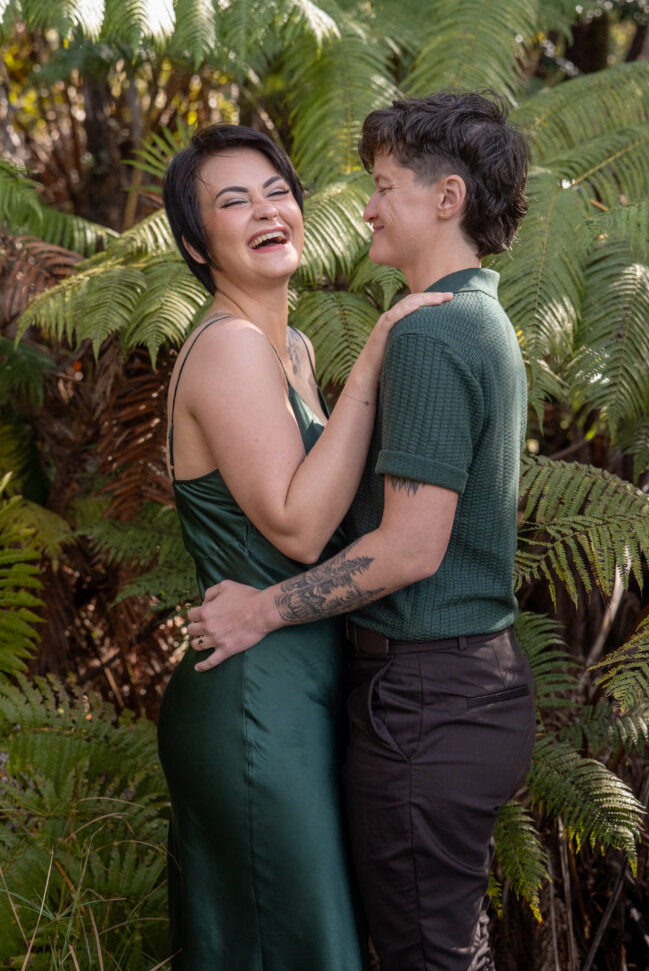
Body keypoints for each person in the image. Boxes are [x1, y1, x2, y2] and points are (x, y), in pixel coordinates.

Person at [187, 92, 537, 971]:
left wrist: (262, 609)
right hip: (431, 691)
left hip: (423, 699)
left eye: (382, 186)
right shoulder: (471, 318)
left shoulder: (430, 335)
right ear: (196, 243)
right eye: (234, 201)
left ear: (447, 198)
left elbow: (409, 545)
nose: (367, 207)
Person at [156, 122, 451, 970]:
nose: (265, 211)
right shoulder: (229, 348)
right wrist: (374, 361)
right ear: (195, 244)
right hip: (255, 694)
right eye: (232, 202)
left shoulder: (289, 347)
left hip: (306, 682)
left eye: (276, 191)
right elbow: (298, 526)